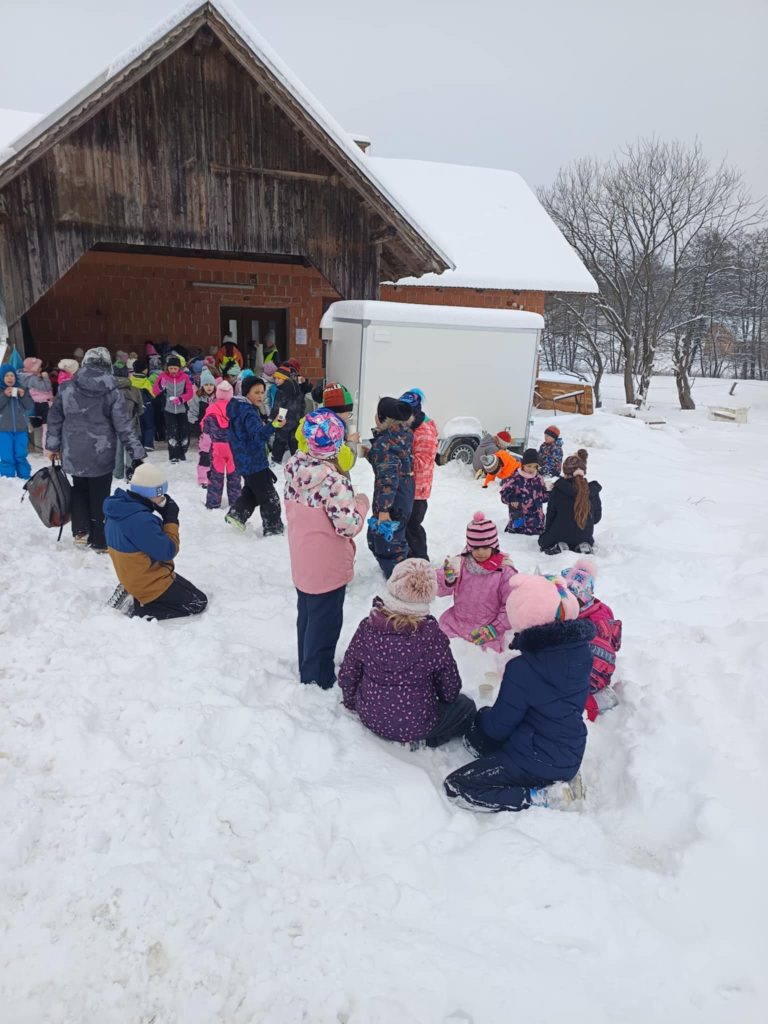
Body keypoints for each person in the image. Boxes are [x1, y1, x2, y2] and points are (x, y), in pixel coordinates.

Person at [444, 573, 595, 812]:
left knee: (457, 785)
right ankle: (553, 781)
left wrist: (480, 719)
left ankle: (539, 796)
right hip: (570, 750)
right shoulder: (581, 653)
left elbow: (498, 727)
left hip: (537, 758)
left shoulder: (523, 668)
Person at [339, 559, 476, 747]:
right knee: (466, 707)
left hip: (369, 715)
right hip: (417, 724)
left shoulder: (367, 627)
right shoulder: (433, 637)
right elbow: (450, 689)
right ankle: (430, 739)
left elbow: (349, 672)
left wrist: (350, 701)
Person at [284, 410, 369, 689]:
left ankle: (307, 664)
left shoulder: (295, 468)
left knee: (308, 617)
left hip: (303, 560)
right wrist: (361, 504)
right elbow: (348, 526)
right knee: (326, 624)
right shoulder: (334, 482)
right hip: (327, 567)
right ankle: (318, 678)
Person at [47, 347, 145, 551]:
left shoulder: (66, 388)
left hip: (74, 450)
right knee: (100, 493)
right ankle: (100, 539)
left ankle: (81, 531)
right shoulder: (113, 391)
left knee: (79, 488)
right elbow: (124, 426)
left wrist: (53, 446)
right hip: (102, 451)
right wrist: (136, 453)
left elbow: (55, 418)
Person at [104, 463, 207, 620]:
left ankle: (131, 589)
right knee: (198, 602)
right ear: (151, 494)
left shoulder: (120, 508)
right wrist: (171, 519)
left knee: (188, 591)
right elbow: (168, 551)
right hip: (148, 582)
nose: (163, 497)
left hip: (133, 572)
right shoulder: (141, 520)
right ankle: (139, 609)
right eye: (161, 494)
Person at [436, 512, 517, 653]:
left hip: (488, 630)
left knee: (483, 660)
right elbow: (439, 590)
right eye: (476, 548)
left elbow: (512, 605)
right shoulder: (460, 563)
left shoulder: (504, 571)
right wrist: (448, 579)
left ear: (493, 546)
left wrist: (494, 628)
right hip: (456, 624)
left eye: (485, 547)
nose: (480, 552)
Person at [561, 558, 623, 720]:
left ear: (581, 599)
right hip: (584, 662)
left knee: (563, 698)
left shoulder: (594, 628)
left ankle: (597, 703)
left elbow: (595, 661)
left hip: (594, 672)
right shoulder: (589, 607)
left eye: (568, 598)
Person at [225, 377, 283, 534]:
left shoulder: (237, 408)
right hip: (254, 461)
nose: (260, 396)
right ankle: (273, 528)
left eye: (262, 392)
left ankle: (237, 514)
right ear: (246, 393)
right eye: (256, 392)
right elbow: (258, 435)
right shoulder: (249, 412)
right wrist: (274, 425)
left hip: (243, 460)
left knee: (253, 490)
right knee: (269, 497)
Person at [366, 397, 415, 579]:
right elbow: (393, 463)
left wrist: (383, 510)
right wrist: (371, 454)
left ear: (382, 417)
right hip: (404, 492)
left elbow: (388, 477)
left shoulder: (384, 443)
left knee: (387, 541)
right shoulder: (403, 435)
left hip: (391, 498)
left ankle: (398, 578)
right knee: (395, 535)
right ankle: (400, 568)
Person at [398, 388, 438, 561]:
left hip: (418, 491)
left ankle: (421, 559)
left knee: (413, 526)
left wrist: (399, 456)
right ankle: (408, 558)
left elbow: (422, 463)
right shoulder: (412, 427)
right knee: (406, 525)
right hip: (409, 487)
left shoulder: (424, 433)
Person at [538, 449, 602, 555]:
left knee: (543, 541)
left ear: (565, 472)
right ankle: (583, 546)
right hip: (585, 537)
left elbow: (550, 517)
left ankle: (560, 545)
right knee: (581, 537)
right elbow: (596, 518)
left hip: (559, 534)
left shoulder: (558, 489)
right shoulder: (591, 491)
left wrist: (547, 535)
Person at [294, 382, 358, 474]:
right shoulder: (333, 432)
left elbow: (301, 443)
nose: (348, 417)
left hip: (306, 476)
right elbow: (346, 464)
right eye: (348, 413)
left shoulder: (308, 422)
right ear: (340, 412)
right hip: (330, 480)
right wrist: (351, 443)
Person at [202, 381, 242, 510]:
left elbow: (205, 428)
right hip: (233, 448)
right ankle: (236, 503)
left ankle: (213, 503)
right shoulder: (236, 409)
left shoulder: (211, 409)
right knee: (234, 478)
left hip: (217, 448)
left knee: (215, 476)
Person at [152, 355, 194, 462]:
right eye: (171, 368)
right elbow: (155, 391)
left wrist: (181, 399)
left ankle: (182, 452)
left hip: (182, 409)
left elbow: (190, 392)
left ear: (179, 368)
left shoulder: (185, 377)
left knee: (184, 432)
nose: (173, 370)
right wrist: (161, 386)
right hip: (168, 409)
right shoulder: (162, 376)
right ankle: (174, 455)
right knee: (172, 432)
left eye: (175, 368)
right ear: (167, 368)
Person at [500, 448, 549, 535]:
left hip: (536, 524)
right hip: (518, 523)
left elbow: (542, 497)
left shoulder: (539, 478)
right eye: (529, 466)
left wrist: (550, 493)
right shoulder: (515, 478)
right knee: (518, 538)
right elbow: (504, 494)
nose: (532, 469)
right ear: (523, 465)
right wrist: (512, 498)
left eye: (535, 466)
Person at [270, 364, 310, 464]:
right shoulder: (297, 389)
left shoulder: (281, 391)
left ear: (285, 379)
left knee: (279, 441)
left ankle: (275, 462)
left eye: (279, 378)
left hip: (283, 421)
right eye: (275, 378)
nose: (276, 381)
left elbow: (278, 407)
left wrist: (274, 420)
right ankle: (298, 462)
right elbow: (302, 405)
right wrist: (300, 417)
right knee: (294, 442)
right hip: (295, 421)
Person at [0, 364, 34, 478]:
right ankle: (8, 478)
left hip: (21, 429)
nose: (10, 378)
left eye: (12, 375)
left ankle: (24, 477)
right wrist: (4, 395)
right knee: (6, 455)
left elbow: (30, 406)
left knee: (21, 454)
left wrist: (23, 396)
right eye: (6, 376)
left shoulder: (22, 389)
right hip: (3, 430)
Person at [18, 357, 53, 451]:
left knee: (39, 426)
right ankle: (47, 449)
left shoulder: (25, 376)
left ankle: (30, 424)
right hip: (44, 403)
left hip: (35, 403)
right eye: (39, 367)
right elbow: (46, 387)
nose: (41, 369)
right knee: (47, 427)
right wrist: (46, 378)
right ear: (33, 368)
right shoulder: (32, 378)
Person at [114, 375, 143, 481]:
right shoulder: (135, 390)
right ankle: (131, 472)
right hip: (132, 423)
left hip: (115, 424)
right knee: (131, 449)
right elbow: (140, 410)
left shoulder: (109, 391)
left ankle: (117, 473)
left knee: (117, 449)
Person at [129, 358, 157, 451]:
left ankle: (139, 443)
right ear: (144, 370)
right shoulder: (146, 381)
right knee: (149, 425)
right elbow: (153, 394)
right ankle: (148, 444)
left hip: (134, 406)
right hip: (146, 405)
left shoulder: (130, 380)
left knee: (138, 425)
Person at [187, 368, 216, 438]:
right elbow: (192, 412)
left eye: (211, 385)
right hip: (201, 427)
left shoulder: (217, 397)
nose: (209, 387)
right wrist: (197, 426)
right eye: (206, 385)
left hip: (215, 428)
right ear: (202, 386)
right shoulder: (198, 397)